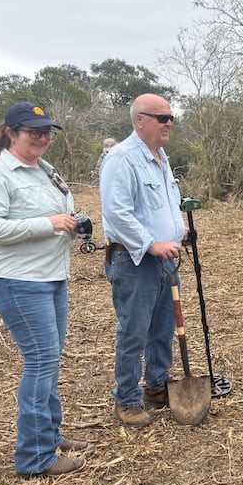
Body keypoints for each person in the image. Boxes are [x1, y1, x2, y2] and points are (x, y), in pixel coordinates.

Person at [0, 101, 87, 477]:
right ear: (11, 133)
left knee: (49, 359)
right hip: (18, 280)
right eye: (33, 132)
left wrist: (72, 221)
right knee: (41, 361)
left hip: (51, 276)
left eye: (46, 132)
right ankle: (34, 456)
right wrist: (47, 223)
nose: (42, 138)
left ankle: (49, 432)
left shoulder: (45, 170)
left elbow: (55, 213)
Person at [99, 94, 185, 427]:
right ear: (140, 120)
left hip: (166, 257)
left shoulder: (160, 156)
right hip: (135, 261)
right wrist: (150, 244)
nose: (169, 124)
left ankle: (157, 385)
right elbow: (116, 213)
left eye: (170, 118)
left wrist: (179, 234)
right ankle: (127, 400)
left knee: (163, 328)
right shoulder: (122, 158)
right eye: (161, 118)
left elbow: (163, 206)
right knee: (134, 331)